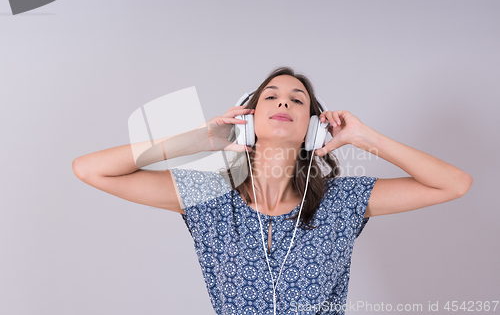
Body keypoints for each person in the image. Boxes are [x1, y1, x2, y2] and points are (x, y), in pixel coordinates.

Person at [72, 66, 473, 314]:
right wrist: (198, 140)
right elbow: (90, 169)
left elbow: (455, 183)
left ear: (313, 129)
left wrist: (365, 137)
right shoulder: (209, 197)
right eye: (272, 96)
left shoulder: (342, 202)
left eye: (298, 100)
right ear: (248, 119)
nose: (284, 103)